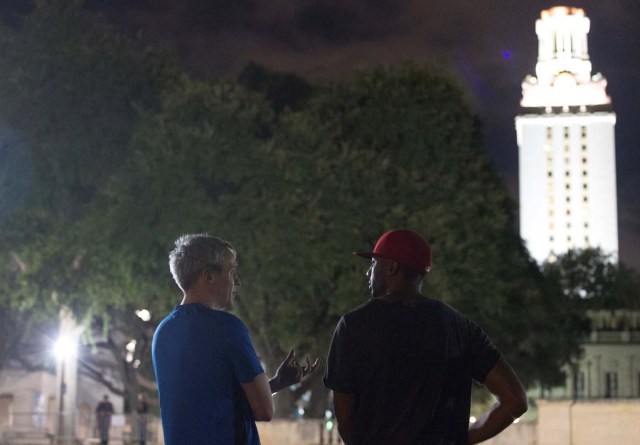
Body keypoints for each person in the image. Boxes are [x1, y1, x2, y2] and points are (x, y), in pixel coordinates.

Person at [323, 229, 528, 445]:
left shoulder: (353, 325)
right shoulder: (459, 327)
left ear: (391, 267)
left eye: (374, 263)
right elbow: (515, 401)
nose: (368, 272)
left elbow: (345, 420)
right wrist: (460, 440)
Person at [152, 234, 319, 445]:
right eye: (231, 271)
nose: (237, 280)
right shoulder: (227, 327)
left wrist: (277, 383)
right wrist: (271, 388)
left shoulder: (163, 331)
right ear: (209, 276)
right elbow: (264, 410)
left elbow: (210, 406)